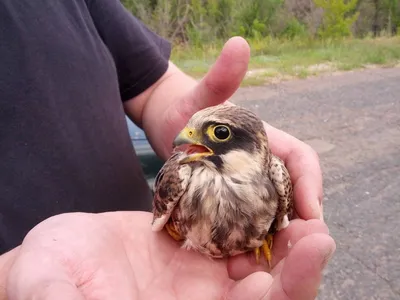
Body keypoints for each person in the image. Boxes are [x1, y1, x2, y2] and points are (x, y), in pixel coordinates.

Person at [0, 0, 335, 299]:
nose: (184, 137)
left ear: (254, 149)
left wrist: (172, 104)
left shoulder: (274, 175)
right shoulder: (181, 175)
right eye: (193, 130)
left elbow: (151, 83)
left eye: (217, 133)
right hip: (126, 254)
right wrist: (8, 276)